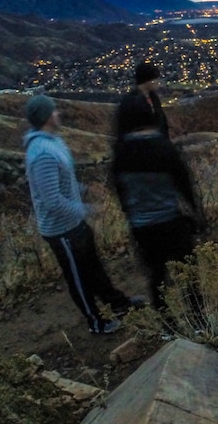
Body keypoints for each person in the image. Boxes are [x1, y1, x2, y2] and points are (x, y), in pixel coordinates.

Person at [24, 95, 137, 335]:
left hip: (74, 223)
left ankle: (117, 304)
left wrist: (85, 191)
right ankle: (95, 321)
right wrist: (86, 209)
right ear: (45, 117)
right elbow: (52, 200)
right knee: (78, 277)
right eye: (53, 112)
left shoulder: (53, 142)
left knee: (94, 268)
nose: (58, 114)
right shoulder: (42, 153)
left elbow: (63, 182)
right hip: (61, 229)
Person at [112, 94, 202, 310]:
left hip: (141, 225)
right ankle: (199, 319)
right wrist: (196, 214)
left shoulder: (121, 152)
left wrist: (132, 214)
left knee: (157, 275)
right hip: (171, 220)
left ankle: (166, 322)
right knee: (188, 272)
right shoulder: (162, 147)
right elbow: (184, 184)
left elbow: (121, 192)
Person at [115, 61, 169, 140]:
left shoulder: (153, 98)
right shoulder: (131, 102)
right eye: (155, 79)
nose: (158, 83)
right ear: (147, 81)